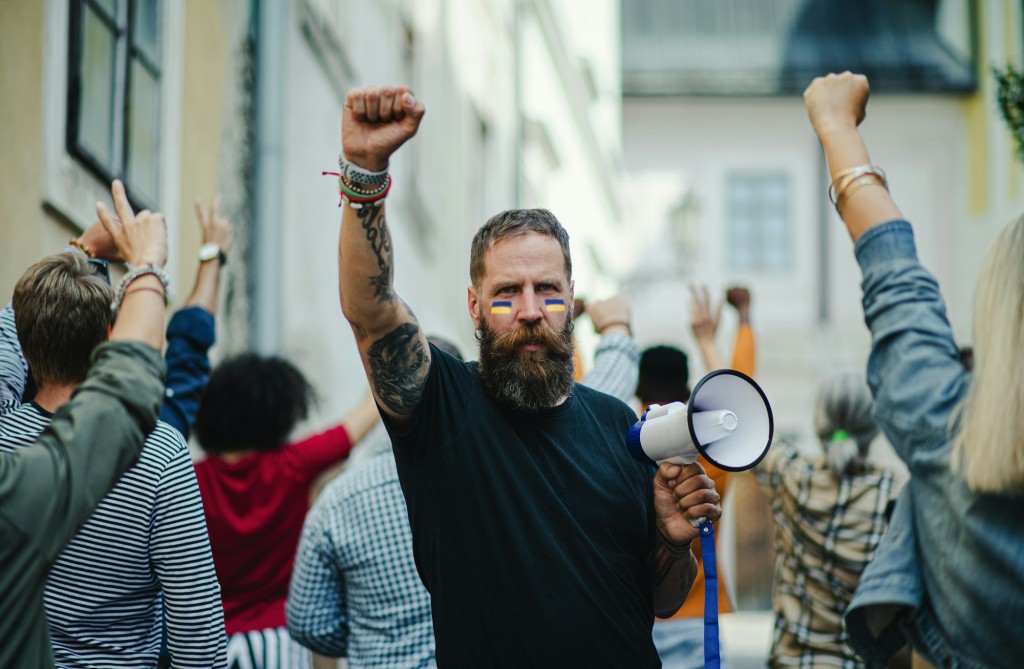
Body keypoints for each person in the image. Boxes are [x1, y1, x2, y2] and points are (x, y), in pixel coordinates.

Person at [333, 85, 721, 667]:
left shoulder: (618, 423)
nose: (531, 310)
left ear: (573, 300)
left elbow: (662, 601)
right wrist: (365, 174)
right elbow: (372, 311)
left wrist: (669, 540)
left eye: (548, 291)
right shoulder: (443, 406)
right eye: (506, 293)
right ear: (473, 307)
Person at [287, 296, 643, 668]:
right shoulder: (498, 462)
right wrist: (615, 328)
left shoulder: (339, 500)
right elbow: (593, 408)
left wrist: (375, 629)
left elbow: (310, 623)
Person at [804, 72, 1024, 668]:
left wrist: (836, 126)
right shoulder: (884, 486)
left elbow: (896, 278)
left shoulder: (944, 432)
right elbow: (896, 281)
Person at [0, 191, 227, 667]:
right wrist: (143, 263)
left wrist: (78, 252)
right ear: (110, 336)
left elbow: (10, 334)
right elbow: (199, 644)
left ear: (24, 346)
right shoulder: (160, 450)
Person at [192, 353, 379, 669]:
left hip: (210, 640)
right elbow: (361, 420)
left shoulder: (191, 479)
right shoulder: (293, 465)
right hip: (281, 640)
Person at [644, 284, 756, 669]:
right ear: (689, 390)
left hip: (637, 616)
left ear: (637, 390)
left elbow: (580, 390)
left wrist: (572, 328)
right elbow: (739, 404)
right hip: (700, 615)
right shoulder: (709, 453)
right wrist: (726, 330)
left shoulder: (621, 445)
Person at [754, 372, 896, 667]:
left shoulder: (790, 475)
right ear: (873, 424)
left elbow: (743, 422)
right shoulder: (893, 495)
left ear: (821, 422)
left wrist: (708, 343)